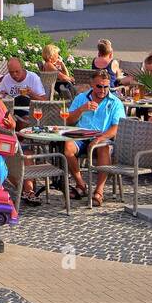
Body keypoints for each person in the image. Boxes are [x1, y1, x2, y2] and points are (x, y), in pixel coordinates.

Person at [64, 73, 126, 206]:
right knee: (67, 147)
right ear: (92, 84)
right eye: (99, 86)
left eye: (106, 87)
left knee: (103, 148)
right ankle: (81, 184)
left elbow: (116, 128)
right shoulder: (81, 98)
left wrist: (99, 139)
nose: (103, 90)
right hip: (81, 135)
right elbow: (68, 121)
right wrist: (81, 110)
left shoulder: (115, 102)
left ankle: (99, 191)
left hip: (102, 137)